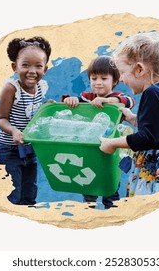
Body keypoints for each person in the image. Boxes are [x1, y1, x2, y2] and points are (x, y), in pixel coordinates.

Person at [99, 31, 159, 196]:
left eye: (123, 72)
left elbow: (147, 138)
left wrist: (112, 143)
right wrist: (132, 118)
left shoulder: (151, 93)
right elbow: (156, 128)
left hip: (154, 170)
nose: (122, 79)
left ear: (139, 69)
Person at [63, 55, 135, 208]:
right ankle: (89, 216)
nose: (98, 83)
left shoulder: (117, 97)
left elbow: (129, 101)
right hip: (90, 150)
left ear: (114, 81)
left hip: (111, 152)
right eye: (94, 78)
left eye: (104, 78)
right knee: (88, 185)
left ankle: (112, 215)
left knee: (110, 188)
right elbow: (71, 103)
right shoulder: (87, 97)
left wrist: (106, 101)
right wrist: (71, 100)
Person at [0, 36, 51, 205]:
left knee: (29, 193)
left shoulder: (42, 87)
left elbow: (33, 115)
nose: (32, 71)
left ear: (45, 69)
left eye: (38, 66)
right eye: (25, 65)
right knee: (12, 195)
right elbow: (1, 119)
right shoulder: (11, 88)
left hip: (30, 149)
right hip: (8, 150)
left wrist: (46, 108)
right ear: (14, 66)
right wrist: (13, 131)